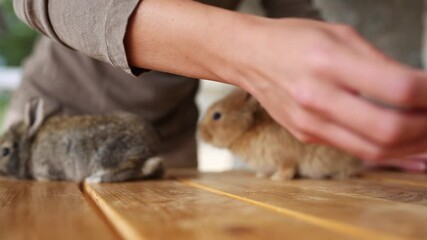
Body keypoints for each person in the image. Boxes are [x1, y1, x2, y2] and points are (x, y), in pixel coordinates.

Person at [6, 0, 427, 171]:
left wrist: (352, 114)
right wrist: (247, 54)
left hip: (163, 137)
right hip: (56, 130)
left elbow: (296, 13)